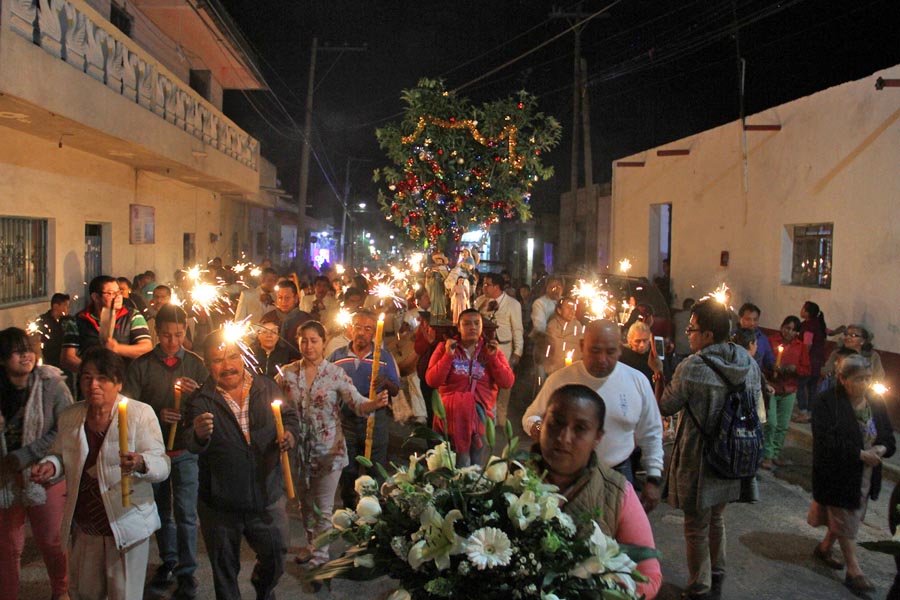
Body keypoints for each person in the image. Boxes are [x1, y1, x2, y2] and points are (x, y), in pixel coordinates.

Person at [31, 347, 170, 600]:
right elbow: (61, 455)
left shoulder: (139, 414)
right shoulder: (72, 416)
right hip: (86, 527)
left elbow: (161, 464)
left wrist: (141, 463)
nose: (93, 384)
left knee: (124, 594)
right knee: (85, 593)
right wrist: (51, 466)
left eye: (102, 378)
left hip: (126, 524)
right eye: (86, 377)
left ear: (118, 383)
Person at [655, 298, 762, 600]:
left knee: (696, 525)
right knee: (717, 517)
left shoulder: (693, 367)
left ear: (708, 335)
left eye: (692, 328)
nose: (687, 334)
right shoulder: (748, 362)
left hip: (701, 457)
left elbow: (665, 405)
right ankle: (717, 576)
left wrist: (658, 372)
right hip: (736, 454)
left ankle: (699, 586)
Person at [182, 327, 299, 600]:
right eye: (218, 360)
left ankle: (263, 587)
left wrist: (290, 434)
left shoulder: (266, 386)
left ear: (243, 357)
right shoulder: (201, 400)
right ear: (208, 364)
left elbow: (290, 418)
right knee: (224, 572)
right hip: (221, 505)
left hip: (267, 495)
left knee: (277, 555)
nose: (227, 366)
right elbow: (189, 440)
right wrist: (198, 434)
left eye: (232, 357)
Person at [276, 321, 387, 567]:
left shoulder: (335, 374)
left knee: (323, 507)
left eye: (314, 340)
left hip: (329, 450)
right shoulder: (287, 373)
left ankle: (320, 558)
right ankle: (311, 543)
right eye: (304, 341)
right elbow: (275, 406)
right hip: (298, 450)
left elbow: (357, 403)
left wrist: (374, 403)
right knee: (305, 503)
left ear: (324, 342)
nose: (309, 346)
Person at [535, 384, 662, 599]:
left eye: (580, 428)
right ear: (542, 422)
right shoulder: (507, 477)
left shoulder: (616, 493)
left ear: (598, 438)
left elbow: (649, 575)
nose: (564, 437)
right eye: (556, 423)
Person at [523, 320, 664, 510]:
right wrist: (540, 429)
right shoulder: (561, 379)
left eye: (610, 352)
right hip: (567, 476)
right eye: (595, 351)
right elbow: (531, 417)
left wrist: (653, 477)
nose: (602, 359)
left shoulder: (636, 382)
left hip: (618, 471)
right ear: (582, 346)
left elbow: (651, 432)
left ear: (620, 350)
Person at [122, 304, 207, 598]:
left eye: (179, 335)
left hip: (184, 450)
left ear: (186, 332)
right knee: (160, 511)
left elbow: (209, 406)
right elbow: (128, 409)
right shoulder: (141, 365)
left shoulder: (196, 364)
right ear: (157, 333)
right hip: (153, 453)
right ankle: (168, 560)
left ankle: (187, 570)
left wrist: (196, 396)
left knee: (185, 512)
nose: (173, 341)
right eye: (167, 335)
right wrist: (158, 415)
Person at [808, 354, 895, 594]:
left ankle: (825, 548)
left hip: (865, 476)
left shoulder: (875, 403)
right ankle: (854, 570)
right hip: (837, 473)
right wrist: (858, 453)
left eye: (868, 378)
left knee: (849, 516)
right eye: (859, 379)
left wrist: (882, 448)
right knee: (845, 517)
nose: (865, 384)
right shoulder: (827, 402)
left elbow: (888, 435)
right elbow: (826, 440)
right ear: (843, 379)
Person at [0, 327, 73, 600]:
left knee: (52, 541)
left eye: (28, 349)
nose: (25, 355)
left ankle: (61, 590)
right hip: (4, 479)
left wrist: (27, 455)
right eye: (17, 351)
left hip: (44, 471)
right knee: (7, 549)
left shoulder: (51, 384)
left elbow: (65, 427)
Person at [328, 310, 401, 508]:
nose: (361, 333)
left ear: (374, 334)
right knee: (347, 467)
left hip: (375, 420)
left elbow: (395, 389)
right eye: (358, 327)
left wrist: (385, 381)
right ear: (350, 329)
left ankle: (372, 507)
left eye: (367, 329)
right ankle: (349, 508)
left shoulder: (383, 357)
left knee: (375, 467)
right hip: (346, 421)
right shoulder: (337, 356)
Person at [425, 309, 515, 466]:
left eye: (476, 323)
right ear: (458, 327)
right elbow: (432, 380)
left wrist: (493, 358)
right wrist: (448, 356)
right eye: (466, 324)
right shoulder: (445, 347)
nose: (472, 327)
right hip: (451, 419)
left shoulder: (491, 350)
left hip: (480, 419)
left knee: (475, 465)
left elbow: (507, 382)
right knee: (452, 465)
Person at [61, 275, 152, 373]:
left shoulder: (132, 316)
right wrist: (92, 373)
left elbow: (146, 348)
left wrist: (117, 348)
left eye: (119, 292)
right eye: (111, 293)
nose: (118, 297)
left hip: (124, 381)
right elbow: (67, 358)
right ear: (95, 297)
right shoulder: (78, 321)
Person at [761, 316, 811, 468]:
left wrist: (795, 369)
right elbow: (763, 362)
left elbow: (806, 369)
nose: (789, 332)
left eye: (793, 330)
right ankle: (767, 455)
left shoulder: (800, 346)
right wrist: (772, 369)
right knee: (771, 423)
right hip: (772, 387)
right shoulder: (771, 341)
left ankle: (775, 453)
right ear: (781, 327)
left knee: (782, 425)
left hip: (790, 389)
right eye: (786, 328)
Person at [474, 273, 523, 426]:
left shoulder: (513, 304)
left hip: (504, 347)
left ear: (497, 287)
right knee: (487, 381)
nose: (484, 287)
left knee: (504, 383)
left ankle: (501, 418)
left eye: (487, 284)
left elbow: (518, 329)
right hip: (484, 347)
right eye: (483, 284)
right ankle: (488, 417)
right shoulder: (480, 301)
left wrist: (517, 351)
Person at [797, 301, 827, 422]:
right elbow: (829, 332)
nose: (801, 310)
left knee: (799, 386)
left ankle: (803, 412)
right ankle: (811, 412)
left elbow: (807, 345)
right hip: (818, 362)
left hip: (809, 362)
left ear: (807, 313)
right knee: (812, 388)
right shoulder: (818, 324)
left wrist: (802, 359)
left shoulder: (809, 326)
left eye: (803, 308)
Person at [266, 280, 310, 354]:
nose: (283, 302)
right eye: (280, 298)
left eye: (287, 298)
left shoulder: (305, 320)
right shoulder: (268, 318)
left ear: (296, 298)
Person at [544, 296, 583, 376]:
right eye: (568, 308)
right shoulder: (553, 325)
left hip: (574, 370)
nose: (572, 311)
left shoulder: (577, 325)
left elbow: (580, 347)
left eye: (573, 308)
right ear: (559, 310)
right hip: (556, 371)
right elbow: (554, 347)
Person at [34, 293, 73, 370]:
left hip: (65, 360)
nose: (67, 308)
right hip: (49, 360)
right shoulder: (43, 320)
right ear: (56, 306)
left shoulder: (69, 320)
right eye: (65, 305)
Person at [737, 303, 775, 372]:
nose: (752, 323)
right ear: (740, 319)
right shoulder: (732, 336)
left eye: (755, 319)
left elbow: (770, 362)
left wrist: (776, 367)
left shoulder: (763, 339)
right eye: (748, 319)